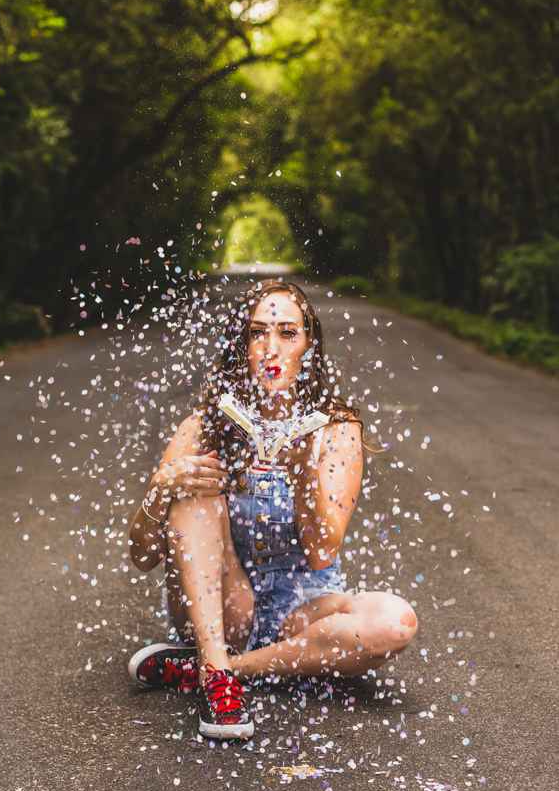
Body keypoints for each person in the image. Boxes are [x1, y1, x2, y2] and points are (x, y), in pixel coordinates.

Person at [128, 280, 418, 739]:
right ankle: (219, 656)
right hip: (225, 608)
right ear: (241, 346)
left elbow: (322, 553)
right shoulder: (205, 426)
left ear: (308, 345)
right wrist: (159, 488)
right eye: (257, 332)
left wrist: (303, 469)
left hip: (303, 615)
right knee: (192, 487)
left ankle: (219, 671)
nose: (270, 347)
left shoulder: (336, 430)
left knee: (394, 622)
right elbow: (142, 555)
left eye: (287, 332)